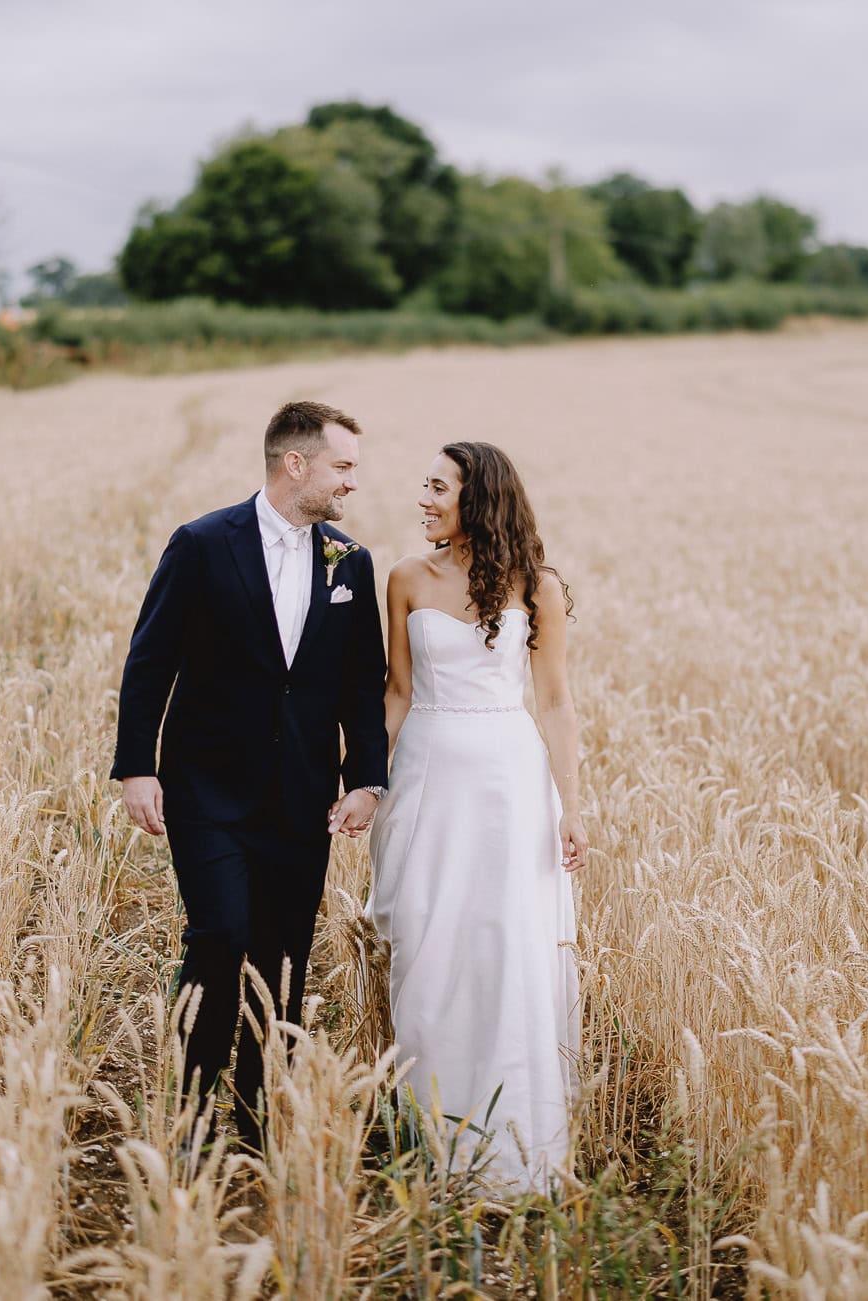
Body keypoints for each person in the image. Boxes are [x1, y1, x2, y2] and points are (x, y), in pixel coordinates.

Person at [112, 401, 388, 1145]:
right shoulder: (203, 544)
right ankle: (195, 1114)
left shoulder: (349, 562)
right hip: (206, 789)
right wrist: (137, 767)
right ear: (294, 463)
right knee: (220, 935)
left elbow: (364, 683)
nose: (352, 483)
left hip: (303, 795)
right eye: (344, 466)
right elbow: (150, 661)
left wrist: (365, 777)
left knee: (286, 957)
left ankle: (259, 1113)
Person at [364, 440, 586, 1195]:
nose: (422, 498)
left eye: (437, 487)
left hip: (508, 782)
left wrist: (571, 809)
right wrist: (364, 782)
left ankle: (513, 1150)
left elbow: (553, 702)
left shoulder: (538, 586)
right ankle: (434, 1140)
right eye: (423, 485)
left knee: (505, 949)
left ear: (478, 498)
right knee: (426, 944)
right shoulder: (402, 577)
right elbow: (395, 691)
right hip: (427, 774)